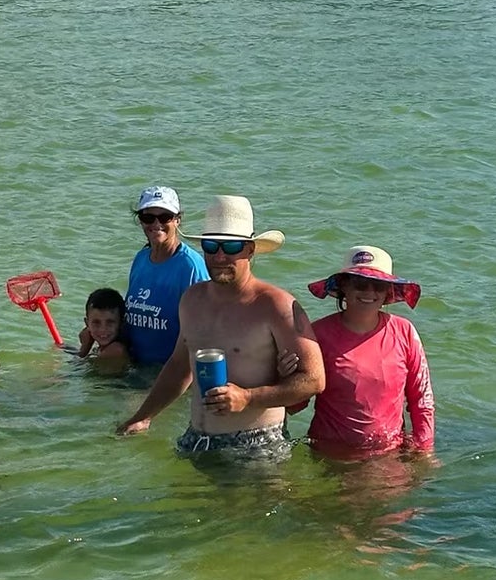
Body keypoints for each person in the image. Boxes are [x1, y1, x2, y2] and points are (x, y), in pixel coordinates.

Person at [116, 195, 324, 462]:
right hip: (195, 439)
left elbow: (314, 380)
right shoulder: (192, 299)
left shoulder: (276, 305)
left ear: (250, 249)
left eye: (232, 246)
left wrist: (248, 397)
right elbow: (180, 366)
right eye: (211, 246)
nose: (220, 256)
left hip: (256, 443)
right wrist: (143, 416)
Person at [303, 245, 434, 458]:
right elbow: (296, 403)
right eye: (361, 284)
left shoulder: (404, 331)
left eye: (378, 286)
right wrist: (286, 371)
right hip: (330, 455)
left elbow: (422, 399)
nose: (369, 292)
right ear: (344, 286)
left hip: (389, 454)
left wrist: (423, 448)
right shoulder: (317, 334)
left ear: (388, 291)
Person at [123, 186, 209, 369]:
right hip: (133, 366)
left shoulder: (190, 266)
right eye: (148, 218)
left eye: (164, 217)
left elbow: (205, 331)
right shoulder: (141, 258)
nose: (156, 224)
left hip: (168, 373)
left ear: (177, 220)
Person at [76, 288, 131, 370]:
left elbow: (86, 376)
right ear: (87, 323)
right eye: (96, 322)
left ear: (121, 323)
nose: (103, 329)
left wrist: (84, 350)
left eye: (110, 322)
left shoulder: (115, 351)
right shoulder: (107, 347)